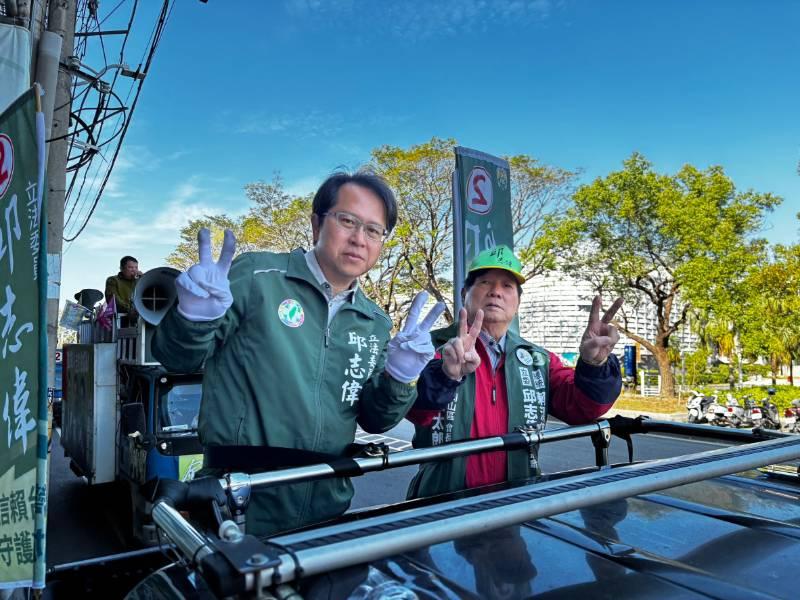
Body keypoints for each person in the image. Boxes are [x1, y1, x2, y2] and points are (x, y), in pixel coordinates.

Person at [152, 171, 444, 536]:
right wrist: (191, 318)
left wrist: (399, 379)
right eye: (347, 220)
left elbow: (375, 420)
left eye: (373, 230)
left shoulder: (375, 321)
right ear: (316, 222)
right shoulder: (258, 276)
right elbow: (177, 359)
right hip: (239, 501)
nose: (359, 239)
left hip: (329, 505)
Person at [406, 245, 623, 499]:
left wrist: (594, 366)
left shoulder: (537, 360)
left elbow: (583, 407)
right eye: (485, 282)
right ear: (465, 293)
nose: (496, 292)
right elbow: (410, 407)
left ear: (518, 302)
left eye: (507, 286)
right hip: (438, 505)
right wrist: (445, 374)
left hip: (518, 506)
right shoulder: (429, 347)